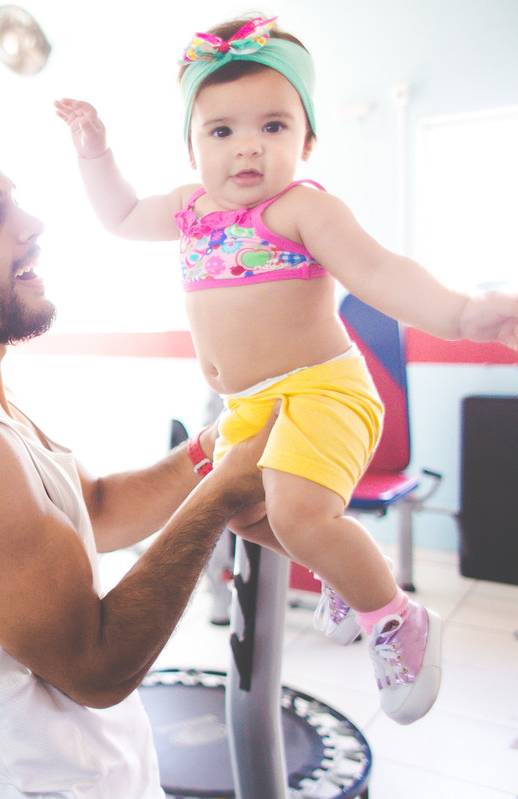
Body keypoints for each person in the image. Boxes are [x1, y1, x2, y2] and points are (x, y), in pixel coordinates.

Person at [55, 15, 518, 726]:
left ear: (306, 140)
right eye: (222, 131)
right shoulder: (189, 212)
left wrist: (462, 314)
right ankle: (341, 566)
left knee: (299, 514)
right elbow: (117, 215)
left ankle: (395, 615)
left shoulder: (302, 208)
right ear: (191, 149)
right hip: (245, 406)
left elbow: (379, 272)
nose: (248, 146)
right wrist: (95, 153)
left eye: (273, 127)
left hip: (322, 391)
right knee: (241, 512)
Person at [0, 129, 275, 797]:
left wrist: (215, 446)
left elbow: (92, 509)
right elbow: (96, 665)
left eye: (17, 204)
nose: (32, 227)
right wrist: (219, 497)